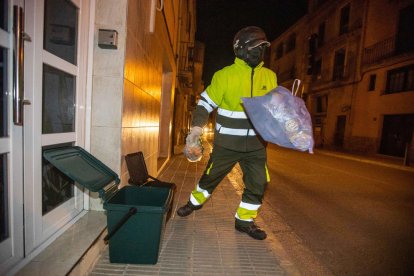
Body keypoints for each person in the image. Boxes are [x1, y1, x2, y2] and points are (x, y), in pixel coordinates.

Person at [177, 26, 278, 240]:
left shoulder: (270, 77)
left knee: (258, 183)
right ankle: (193, 203)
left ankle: (244, 221)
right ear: (240, 49)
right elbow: (204, 105)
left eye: (262, 48)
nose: (259, 52)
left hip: (256, 147)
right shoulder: (225, 76)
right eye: (254, 47)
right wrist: (196, 130)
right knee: (210, 178)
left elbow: (274, 108)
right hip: (227, 145)